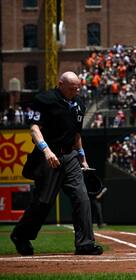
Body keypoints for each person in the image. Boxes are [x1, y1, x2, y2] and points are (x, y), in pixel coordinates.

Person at [10, 72, 103, 256]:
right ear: (60, 84)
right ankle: (21, 235)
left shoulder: (79, 104)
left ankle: (85, 244)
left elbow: (77, 136)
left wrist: (83, 158)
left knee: (82, 197)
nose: (75, 91)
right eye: (71, 88)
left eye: (77, 88)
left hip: (70, 157)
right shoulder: (44, 100)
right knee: (43, 202)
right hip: (49, 154)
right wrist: (46, 151)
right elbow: (34, 129)